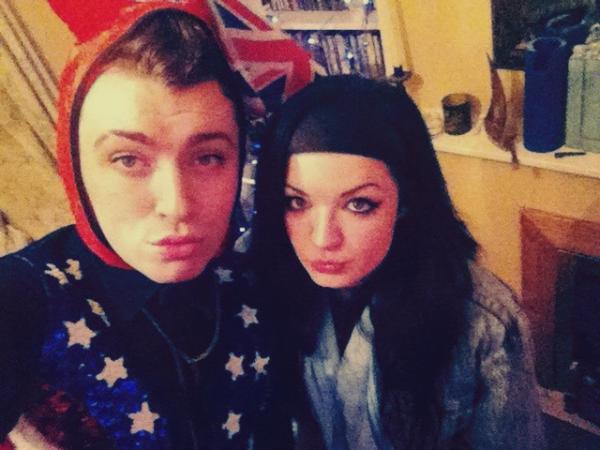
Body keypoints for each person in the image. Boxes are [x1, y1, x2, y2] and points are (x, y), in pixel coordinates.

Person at [0, 1, 313, 448]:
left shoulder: (253, 281)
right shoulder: (24, 296)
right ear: (75, 166)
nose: (176, 204)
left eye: (208, 157)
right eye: (128, 159)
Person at [252, 75, 546, 450]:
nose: (323, 239)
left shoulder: (483, 321)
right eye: (297, 202)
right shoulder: (255, 280)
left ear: (405, 200)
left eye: (359, 204)